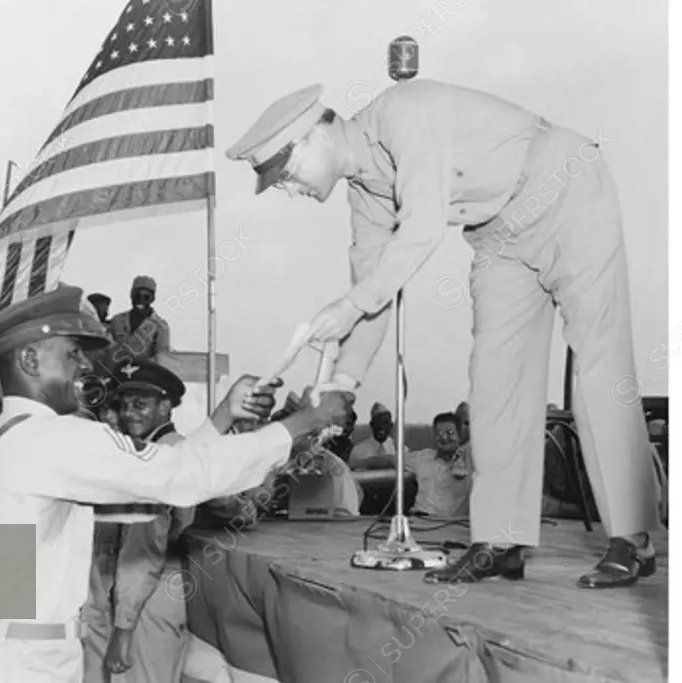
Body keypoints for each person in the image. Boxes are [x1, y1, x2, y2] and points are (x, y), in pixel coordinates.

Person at [226, 80, 660, 588]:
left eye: (285, 172)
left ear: (309, 137)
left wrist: (349, 306)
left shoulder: (402, 112)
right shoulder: (366, 198)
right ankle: (501, 539)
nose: (288, 187)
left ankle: (634, 538)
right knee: (494, 382)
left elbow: (423, 228)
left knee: (598, 363)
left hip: (562, 182)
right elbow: (373, 293)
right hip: (499, 232)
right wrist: (342, 381)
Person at [0, 285, 350, 682]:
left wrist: (222, 418)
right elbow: (180, 478)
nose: (84, 365)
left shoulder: (17, 434)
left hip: (16, 653)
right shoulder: (51, 439)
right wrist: (301, 423)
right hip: (24, 664)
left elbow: (154, 488)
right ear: (31, 359)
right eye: (72, 353)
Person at [84, 358, 194, 682]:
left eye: (141, 404)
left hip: (148, 598)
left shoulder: (166, 455)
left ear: (165, 407)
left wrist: (124, 628)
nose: (130, 412)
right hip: (115, 593)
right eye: (126, 404)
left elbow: (145, 548)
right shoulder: (138, 452)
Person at [407, 412, 473, 517]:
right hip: (419, 520)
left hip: (448, 526)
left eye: (450, 432)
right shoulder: (423, 456)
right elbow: (393, 459)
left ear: (460, 436)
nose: (444, 438)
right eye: (439, 433)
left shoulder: (469, 459)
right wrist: (370, 462)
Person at [109, 275, 171, 363]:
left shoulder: (160, 326)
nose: (141, 300)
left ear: (153, 299)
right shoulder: (117, 320)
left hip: (145, 372)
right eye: (137, 296)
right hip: (117, 371)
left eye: (146, 297)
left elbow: (162, 358)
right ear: (131, 296)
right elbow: (109, 350)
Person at [348, 402, 404, 471]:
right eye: (377, 422)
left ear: (391, 425)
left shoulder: (401, 450)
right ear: (371, 424)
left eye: (385, 422)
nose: (381, 426)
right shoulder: (357, 451)